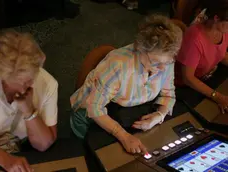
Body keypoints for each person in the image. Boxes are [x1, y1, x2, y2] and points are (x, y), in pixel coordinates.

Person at [70, 14, 182, 154]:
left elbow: (168, 93)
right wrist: (123, 136)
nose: (162, 69)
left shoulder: (165, 60)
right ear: (141, 49)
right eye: (156, 63)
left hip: (125, 113)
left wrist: (160, 115)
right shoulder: (118, 65)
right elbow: (94, 107)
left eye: (167, 62)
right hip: (91, 117)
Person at [0, 31, 58, 172]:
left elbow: (43, 144)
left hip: (14, 147)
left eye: (35, 73)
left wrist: (29, 111)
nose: (32, 84)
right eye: (25, 80)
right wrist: (3, 158)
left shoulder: (47, 83)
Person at [175, 0, 228, 114]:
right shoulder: (195, 37)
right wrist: (217, 97)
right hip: (184, 86)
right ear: (216, 18)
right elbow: (188, 78)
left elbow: (220, 53)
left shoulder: (223, 30)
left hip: (206, 76)